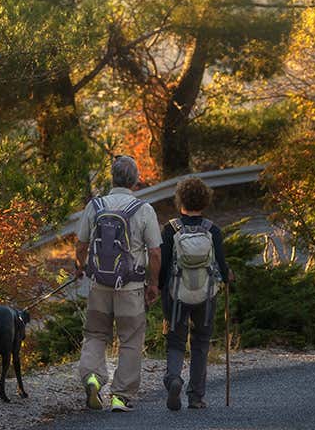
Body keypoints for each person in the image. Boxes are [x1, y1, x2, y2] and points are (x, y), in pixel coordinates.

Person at [74, 155, 161, 412]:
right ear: (135, 180)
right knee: (130, 340)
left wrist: (82, 268)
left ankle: (91, 378)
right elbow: (155, 253)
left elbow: (81, 245)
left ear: (112, 178)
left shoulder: (95, 206)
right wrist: (153, 284)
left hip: (99, 285)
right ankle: (121, 396)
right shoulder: (144, 209)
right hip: (131, 287)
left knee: (95, 334)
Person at [159, 176, 234, 411]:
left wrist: (159, 288)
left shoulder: (170, 230)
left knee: (175, 341)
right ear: (205, 201)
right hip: (206, 295)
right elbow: (221, 267)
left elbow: (162, 266)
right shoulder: (213, 230)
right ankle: (196, 397)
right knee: (201, 342)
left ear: (180, 199)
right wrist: (229, 277)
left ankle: (173, 379)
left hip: (176, 294)